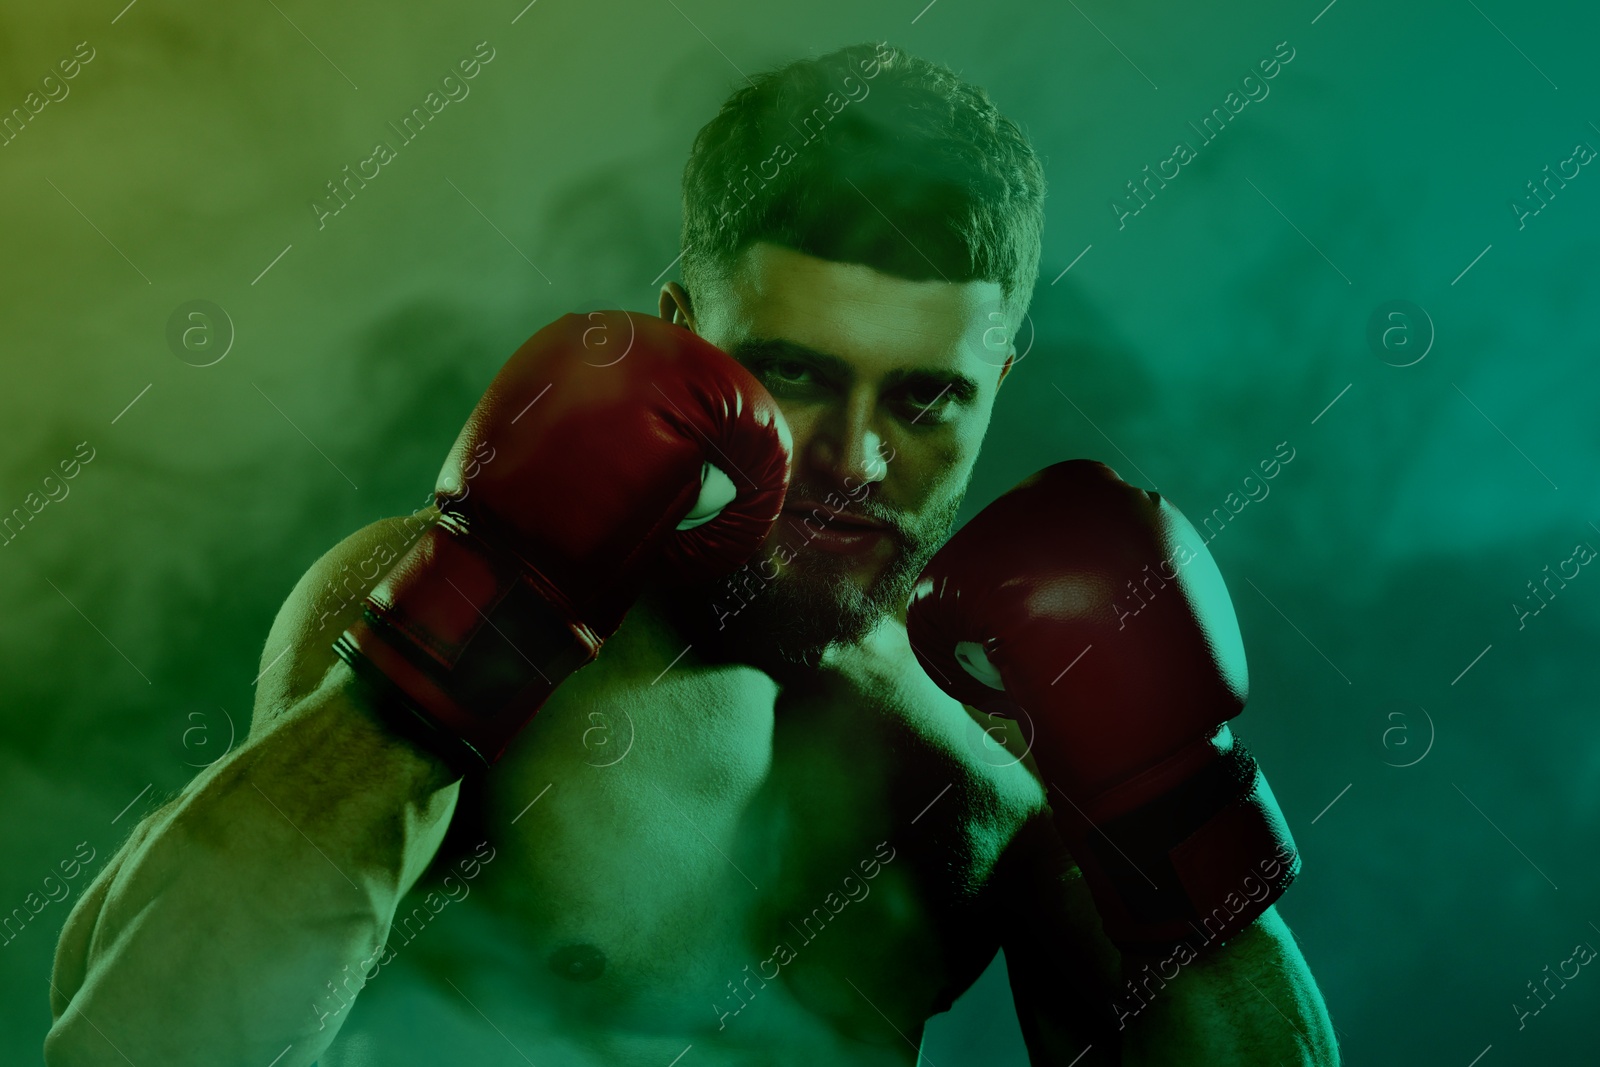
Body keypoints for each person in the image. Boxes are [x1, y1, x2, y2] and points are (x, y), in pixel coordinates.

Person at [45, 41, 1338, 1066]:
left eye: (927, 400)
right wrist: (437, 652)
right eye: (793, 373)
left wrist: (1178, 797)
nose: (860, 462)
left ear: (1002, 375)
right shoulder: (466, 620)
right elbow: (137, 1039)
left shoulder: (986, 772)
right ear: (681, 330)